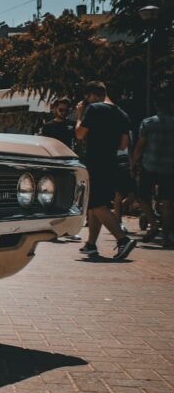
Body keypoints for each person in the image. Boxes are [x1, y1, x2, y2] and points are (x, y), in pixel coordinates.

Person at [75, 80, 136, 259]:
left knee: (94, 204)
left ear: (92, 95)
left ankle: (123, 239)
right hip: (111, 162)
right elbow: (123, 144)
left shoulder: (93, 109)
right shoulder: (122, 114)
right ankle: (91, 244)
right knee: (98, 204)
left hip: (94, 161)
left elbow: (79, 134)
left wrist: (80, 115)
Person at [132, 89, 174, 247]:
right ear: (170, 105)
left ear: (156, 105)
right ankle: (166, 237)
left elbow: (140, 146)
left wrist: (133, 163)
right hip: (169, 168)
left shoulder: (148, 123)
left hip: (149, 165)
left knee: (142, 197)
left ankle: (153, 224)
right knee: (168, 203)